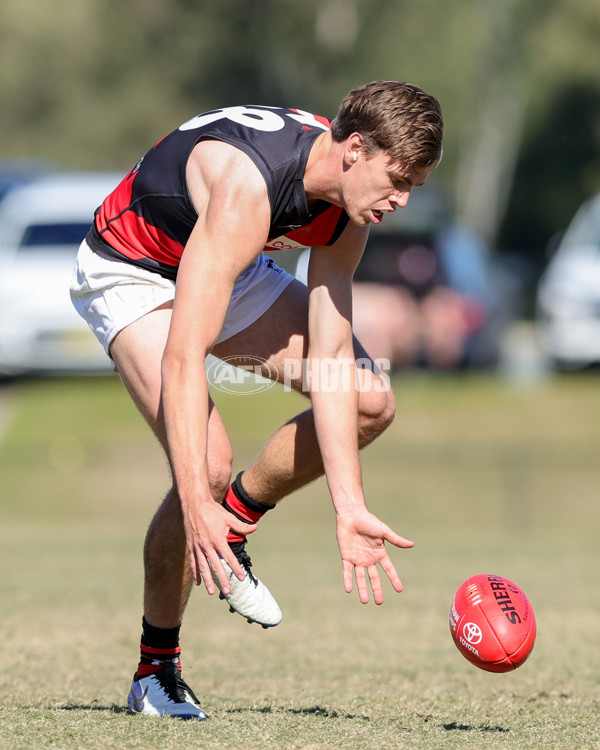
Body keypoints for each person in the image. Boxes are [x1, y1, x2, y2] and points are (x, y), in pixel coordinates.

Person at [70, 80, 443, 720]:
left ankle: (239, 521)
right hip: (132, 268)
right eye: (397, 179)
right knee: (206, 466)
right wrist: (196, 501)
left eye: (414, 185)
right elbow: (184, 356)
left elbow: (328, 361)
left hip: (225, 262)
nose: (401, 200)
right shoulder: (249, 189)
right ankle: (155, 669)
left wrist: (348, 506)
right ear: (354, 149)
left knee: (368, 400)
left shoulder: (348, 209)